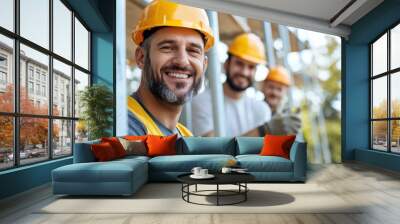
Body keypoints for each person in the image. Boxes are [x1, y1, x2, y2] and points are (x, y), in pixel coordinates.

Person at [127, 0, 214, 136]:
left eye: (193, 51)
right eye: (167, 48)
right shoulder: (121, 125)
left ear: (204, 65)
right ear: (141, 57)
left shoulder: (185, 136)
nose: (182, 61)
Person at [192, 33, 272, 137]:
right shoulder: (201, 102)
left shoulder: (261, 109)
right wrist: (263, 130)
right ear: (226, 64)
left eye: (251, 67)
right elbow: (214, 149)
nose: (244, 72)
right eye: (239, 63)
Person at [260, 66, 302, 135]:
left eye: (279, 89)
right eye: (271, 87)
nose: (274, 92)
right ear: (263, 86)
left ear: (285, 92)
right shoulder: (252, 111)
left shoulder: (289, 119)